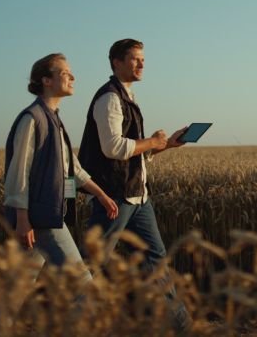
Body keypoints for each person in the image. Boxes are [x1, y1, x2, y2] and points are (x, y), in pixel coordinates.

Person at [78, 38, 191, 331]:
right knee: (94, 263)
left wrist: (164, 146)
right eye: (135, 59)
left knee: (156, 260)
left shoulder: (127, 96)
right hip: (113, 198)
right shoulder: (109, 98)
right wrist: (152, 141)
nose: (141, 64)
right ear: (116, 62)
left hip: (138, 198)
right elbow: (113, 148)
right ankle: (70, 320)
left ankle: (181, 327)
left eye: (143, 59)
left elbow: (132, 156)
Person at [3, 53, 120, 283]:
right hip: (41, 218)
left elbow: (72, 169)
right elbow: (19, 173)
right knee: (82, 285)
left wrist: (102, 195)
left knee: (18, 288)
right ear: (46, 80)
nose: (73, 77)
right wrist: (23, 219)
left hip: (49, 215)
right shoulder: (33, 119)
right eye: (65, 73)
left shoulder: (54, 120)